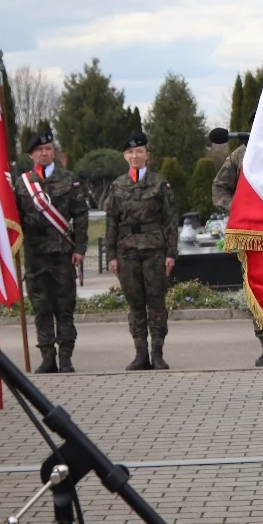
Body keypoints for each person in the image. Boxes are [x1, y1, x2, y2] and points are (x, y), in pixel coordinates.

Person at [212, 115, 263, 366]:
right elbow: (219, 188)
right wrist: (239, 209)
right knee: (258, 289)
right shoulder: (240, 156)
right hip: (253, 235)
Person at [14, 131, 89, 373]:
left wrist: (80, 248)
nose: (44, 153)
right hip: (35, 255)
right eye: (39, 150)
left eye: (48, 149)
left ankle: (66, 357)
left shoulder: (69, 179)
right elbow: (15, 218)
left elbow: (80, 215)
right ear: (31, 155)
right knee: (41, 307)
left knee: (64, 307)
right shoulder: (22, 183)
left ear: (53, 152)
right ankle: (47, 357)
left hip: (62, 252)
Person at [104, 132, 179, 370]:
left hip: (154, 250)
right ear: (124, 156)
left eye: (139, 151)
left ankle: (157, 353)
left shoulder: (159, 184)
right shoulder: (117, 186)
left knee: (156, 302)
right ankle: (140, 354)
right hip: (127, 252)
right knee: (135, 304)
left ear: (147, 154)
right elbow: (111, 223)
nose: (134, 156)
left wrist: (171, 253)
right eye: (130, 152)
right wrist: (111, 256)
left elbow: (170, 220)